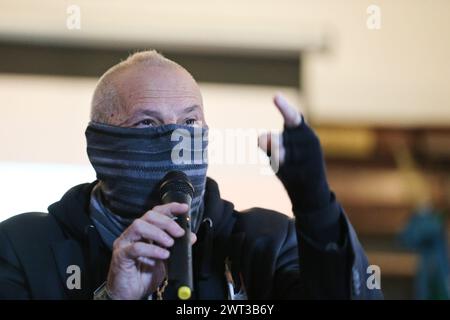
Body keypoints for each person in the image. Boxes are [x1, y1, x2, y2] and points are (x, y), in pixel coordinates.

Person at [0, 50, 382, 300]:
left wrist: (316, 205)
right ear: (102, 145)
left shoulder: (266, 244)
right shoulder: (21, 248)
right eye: (148, 123)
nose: (175, 140)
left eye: (189, 122)